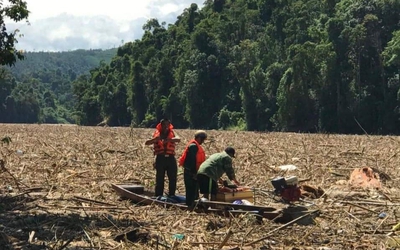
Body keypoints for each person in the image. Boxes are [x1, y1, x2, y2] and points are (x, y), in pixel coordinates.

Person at [145, 118, 181, 197]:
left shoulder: (172, 133)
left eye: (167, 124)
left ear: (169, 125)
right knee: (159, 178)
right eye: (164, 125)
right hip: (160, 158)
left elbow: (178, 139)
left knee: (172, 178)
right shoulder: (157, 133)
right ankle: (158, 195)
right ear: (161, 125)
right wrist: (154, 139)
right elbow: (146, 143)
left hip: (170, 158)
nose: (165, 126)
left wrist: (169, 140)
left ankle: (172, 195)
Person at [178, 130, 207, 208]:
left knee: (195, 190)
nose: (203, 141)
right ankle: (190, 205)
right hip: (190, 172)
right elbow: (192, 161)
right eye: (202, 139)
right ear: (198, 138)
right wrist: (193, 173)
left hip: (194, 172)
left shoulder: (196, 146)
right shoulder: (193, 146)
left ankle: (194, 205)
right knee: (191, 190)